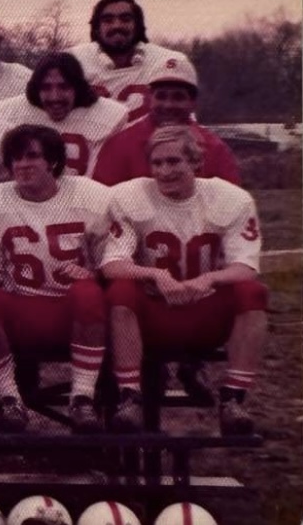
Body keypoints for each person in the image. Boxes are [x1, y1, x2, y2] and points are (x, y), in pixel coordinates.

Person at [102, 126, 266, 435]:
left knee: (251, 293)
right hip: (151, 312)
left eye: (174, 161)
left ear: (196, 162)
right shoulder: (129, 195)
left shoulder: (230, 199)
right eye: (157, 163)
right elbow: (113, 265)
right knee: (121, 291)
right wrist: (154, 274)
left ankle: (233, 399)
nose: (164, 171)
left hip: (204, 312)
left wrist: (207, 280)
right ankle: (130, 396)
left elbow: (246, 266)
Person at [0, 124, 111, 433]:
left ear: (53, 162)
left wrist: (93, 274)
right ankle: (9, 397)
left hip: (73, 311)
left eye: (32, 156)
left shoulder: (91, 196)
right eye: (16, 158)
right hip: (23, 305)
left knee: (88, 292)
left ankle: (82, 397)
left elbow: (114, 260)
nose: (22, 165)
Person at [92, 58, 240, 186]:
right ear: (148, 99)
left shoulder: (215, 149)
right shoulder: (121, 145)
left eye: (178, 97)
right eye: (161, 96)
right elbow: (104, 204)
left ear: (193, 102)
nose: (168, 104)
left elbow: (231, 204)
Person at [0, 52, 127, 177]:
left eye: (64, 87)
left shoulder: (110, 115)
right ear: (36, 89)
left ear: (78, 88)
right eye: (46, 87)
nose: (55, 97)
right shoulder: (8, 112)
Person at [67, 0, 193, 122]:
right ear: (97, 28)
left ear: (138, 25)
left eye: (125, 19)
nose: (117, 25)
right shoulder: (74, 60)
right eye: (108, 20)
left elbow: (185, 122)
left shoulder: (167, 61)